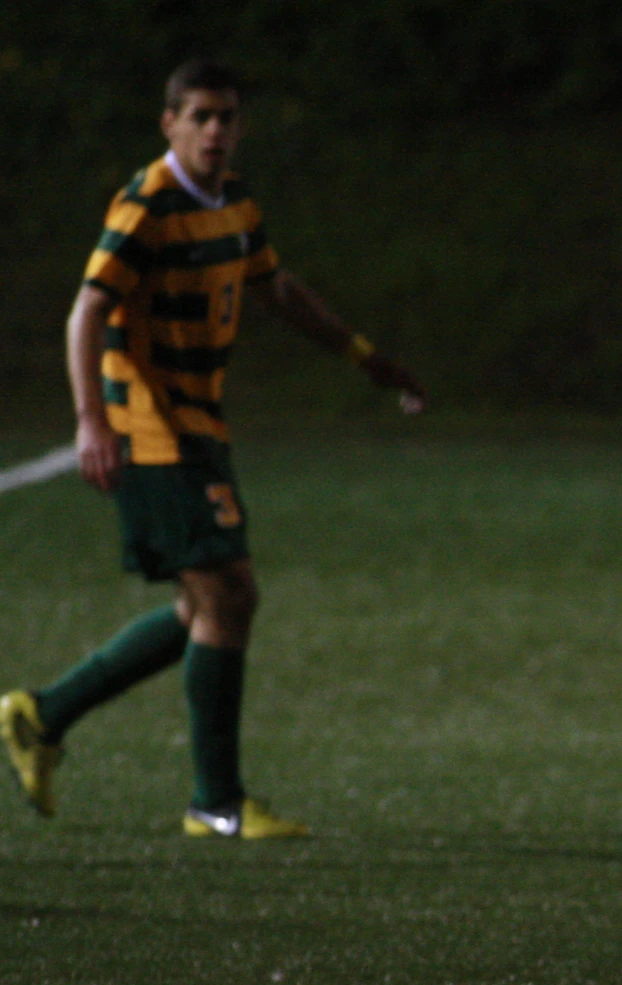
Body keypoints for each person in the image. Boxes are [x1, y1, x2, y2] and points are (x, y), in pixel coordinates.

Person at [2, 59, 425, 837]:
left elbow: (279, 290)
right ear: (169, 124)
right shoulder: (145, 206)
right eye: (200, 116)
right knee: (229, 594)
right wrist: (91, 421)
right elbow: (85, 314)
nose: (216, 131)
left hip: (199, 425)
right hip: (149, 430)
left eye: (227, 116)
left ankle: (43, 715)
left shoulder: (232, 201)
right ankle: (215, 801)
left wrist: (364, 355)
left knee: (205, 602)